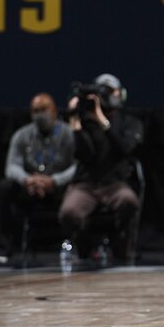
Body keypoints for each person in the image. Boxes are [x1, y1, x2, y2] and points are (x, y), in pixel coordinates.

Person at [59, 73, 144, 265]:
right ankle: (85, 247)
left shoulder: (130, 122)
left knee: (129, 201)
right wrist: (76, 123)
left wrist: (101, 119)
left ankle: (120, 245)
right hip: (86, 184)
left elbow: (124, 149)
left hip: (114, 183)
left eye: (111, 91)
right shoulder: (85, 123)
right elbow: (85, 154)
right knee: (69, 212)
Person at [0, 92, 76, 266]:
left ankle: (75, 245)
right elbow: (11, 166)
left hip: (59, 188)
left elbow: (77, 167)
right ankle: (4, 247)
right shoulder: (22, 135)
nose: (40, 115)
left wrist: (54, 181)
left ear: (54, 110)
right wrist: (28, 180)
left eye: (44, 109)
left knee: (80, 189)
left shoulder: (68, 134)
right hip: (31, 188)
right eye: (36, 110)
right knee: (4, 187)